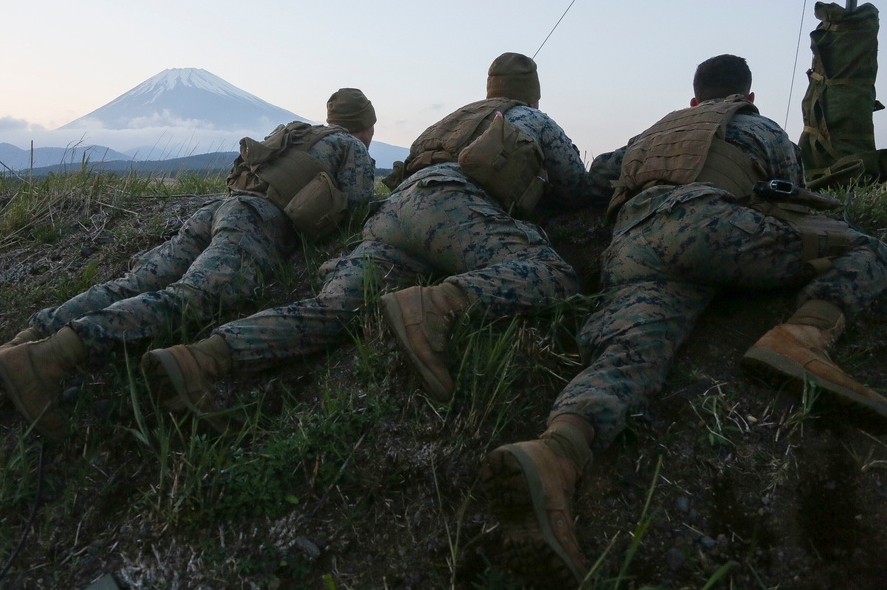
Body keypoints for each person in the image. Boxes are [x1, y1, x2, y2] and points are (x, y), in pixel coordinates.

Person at [480, 54, 887, 587]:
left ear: (694, 100)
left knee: (632, 350)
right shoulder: (759, 126)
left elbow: (597, 178)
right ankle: (801, 337)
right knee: (867, 249)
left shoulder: (656, 131)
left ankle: (557, 449)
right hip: (713, 230)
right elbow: (795, 195)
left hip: (631, 246)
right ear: (747, 97)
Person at [139, 52, 597, 424]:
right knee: (554, 273)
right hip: (454, 205)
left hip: (392, 216)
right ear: (533, 93)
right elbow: (576, 188)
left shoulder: (448, 122)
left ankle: (206, 357)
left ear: (489, 88)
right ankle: (437, 306)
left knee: (335, 308)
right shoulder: (535, 120)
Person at [0, 88, 378, 441]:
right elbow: (357, 209)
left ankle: (18, 344)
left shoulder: (298, 132)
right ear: (366, 126)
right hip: (254, 222)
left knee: (135, 282)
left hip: (218, 210)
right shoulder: (351, 147)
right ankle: (47, 360)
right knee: (193, 297)